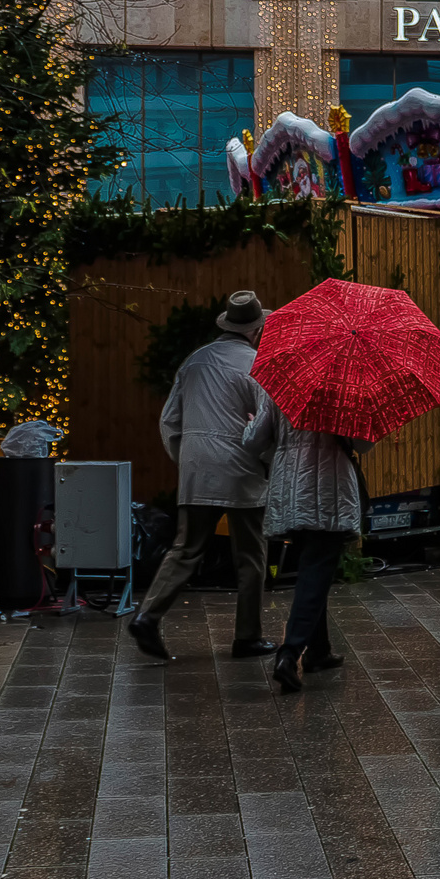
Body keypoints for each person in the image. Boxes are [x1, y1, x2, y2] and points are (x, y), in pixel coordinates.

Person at [128, 291, 277, 662]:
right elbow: (263, 424)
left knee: (185, 549)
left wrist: (187, 460)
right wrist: (268, 461)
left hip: (196, 467)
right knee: (251, 555)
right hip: (240, 467)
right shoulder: (256, 364)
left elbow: (169, 421)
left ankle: (148, 614)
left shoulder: (194, 362)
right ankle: (247, 636)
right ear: (256, 330)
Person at [242, 395, 371, 692]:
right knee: (316, 568)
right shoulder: (348, 387)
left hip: (291, 489)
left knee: (313, 568)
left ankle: (319, 651)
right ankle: (289, 653)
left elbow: (253, 442)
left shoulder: (282, 385)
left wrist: (251, 425)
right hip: (331, 489)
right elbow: (362, 444)